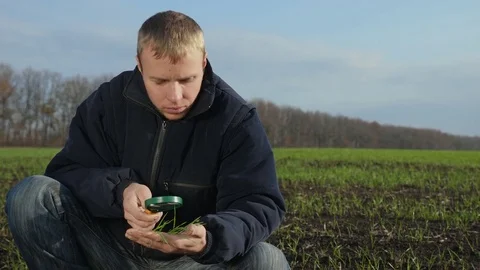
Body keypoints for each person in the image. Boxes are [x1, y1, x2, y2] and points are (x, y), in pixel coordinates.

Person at [5, 10, 290, 270]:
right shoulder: (107, 103)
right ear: (140, 66)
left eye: (187, 79)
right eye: (161, 82)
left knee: (268, 260)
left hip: (190, 262)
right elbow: (66, 173)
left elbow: (259, 202)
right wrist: (120, 191)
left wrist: (210, 236)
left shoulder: (236, 119)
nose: (176, 97)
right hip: (108, 251)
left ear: (203, 62)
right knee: (32, 195)